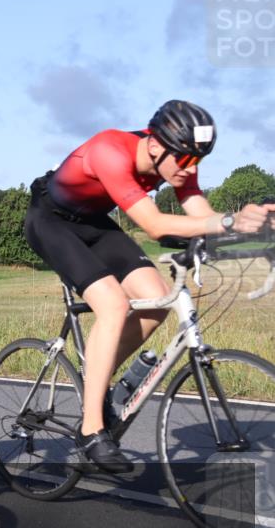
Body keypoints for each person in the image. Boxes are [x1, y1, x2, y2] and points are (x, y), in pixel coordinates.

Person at [25, 100, 275, 473]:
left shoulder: (177, 161)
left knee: (156, 300)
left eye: (199, 161)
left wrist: (255, 226)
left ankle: (99, 380)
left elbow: (202, 216)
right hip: (51, 222)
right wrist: (229, 221)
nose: (192, 169)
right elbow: (155, 225)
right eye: (188, 161)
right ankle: (91, 428)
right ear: (156, 146)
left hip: (95, 223)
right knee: (112, 304)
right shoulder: (110, 150)